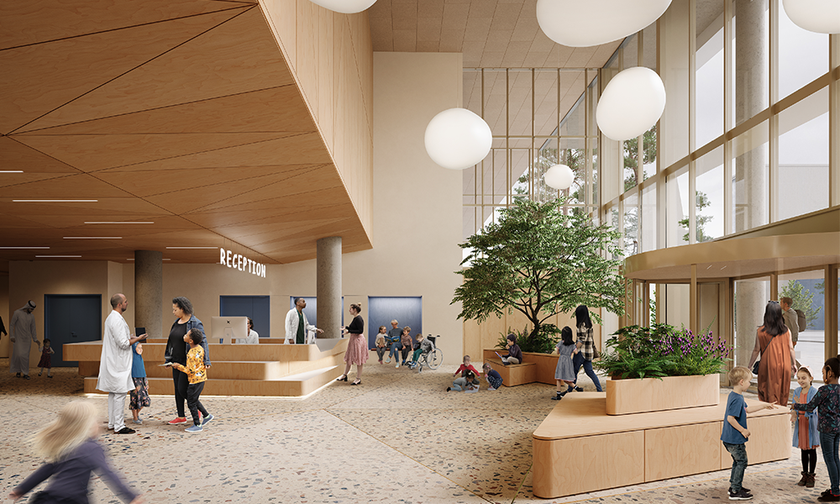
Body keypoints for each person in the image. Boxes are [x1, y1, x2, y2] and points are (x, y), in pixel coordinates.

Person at [8, 401, 142, 504]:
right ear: (86, 426)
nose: (99, 425)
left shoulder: (66, 445)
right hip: (73, 500)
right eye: (96, 421)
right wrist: (130, 497)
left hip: (47, 499)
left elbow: (46, 469)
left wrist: (22, 488)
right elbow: (109, 474)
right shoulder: (93, 448)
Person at [720, 366, 775, 501]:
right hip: (734, 439)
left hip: (730, 438)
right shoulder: (737, 398)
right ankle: (735, 490)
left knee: (737, 461)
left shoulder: (734, 395)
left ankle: (734, 485)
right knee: (742, 461)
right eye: (749, 381)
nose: (750, 383)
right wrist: (743, 430)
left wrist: (764, 405)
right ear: (741, 382)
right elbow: (730, 418)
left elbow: (747, 410)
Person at [96, 294, 146, 435]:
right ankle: (119, 426)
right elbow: (123, 344)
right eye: (125, 301)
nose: (127, 303)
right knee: (119, 393)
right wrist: (138, 339)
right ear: (119, 304)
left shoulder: (112, 318)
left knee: (113, 393)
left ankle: (113, 423)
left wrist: (131, 337)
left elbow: (121, 338)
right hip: (118, 363)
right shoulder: (116, 320)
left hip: (114, 362)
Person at [792, 357, 840, 502]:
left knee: (829, 459)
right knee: (836, 458)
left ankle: (836, 491)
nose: (822, 376)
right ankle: (836, 488)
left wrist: (795, 405)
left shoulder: (823, 390)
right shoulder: (839, 389)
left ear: (829, 373)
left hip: (826, 430)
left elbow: (809, 407)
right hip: (838, 428)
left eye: (823, 372)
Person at [165, 296, 210, 425]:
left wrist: (206, 361)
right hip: (176, 360)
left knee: (182, 389)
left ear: (182, 309)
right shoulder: (176, 323)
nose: (173, 312)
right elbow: (170, 341)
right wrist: (168, 358)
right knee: (177, 389)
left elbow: (203, 341)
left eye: (175, 309)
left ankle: (197, 408)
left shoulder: (195, 323)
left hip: (188, 362)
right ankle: (181, 416)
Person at [747, 301, 797, 405]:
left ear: (767, 314)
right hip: (784, 365)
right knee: (783, 391)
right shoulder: (786, 330)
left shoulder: (761, 331)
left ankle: (770, 414)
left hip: (768, 365)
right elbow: (791, 349)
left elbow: (756, 350)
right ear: (779, 314)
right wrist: (794, 364)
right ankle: (781, 413)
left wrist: (749, 366)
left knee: (768, 391)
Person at [171, 328, 214, 433]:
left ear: (190, 341)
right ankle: (206, 415)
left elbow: (190, 371)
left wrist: (178, 366)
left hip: (194, 381)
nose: (184, 335)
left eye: (187, 334)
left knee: (191, 402)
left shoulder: (191, 354)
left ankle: (197, 424)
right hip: (201, 379)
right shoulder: (200, 348)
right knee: (193, 399)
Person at [792, 366, 819, 488]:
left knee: (811, 450)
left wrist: (800, 407)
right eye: (798, 378)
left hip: (811, 424)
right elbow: (794, 405)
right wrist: (794, 413)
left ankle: (811, 475)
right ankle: (804, 473)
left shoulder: (814, 391)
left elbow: (812, 407)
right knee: (803, 450)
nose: (800, 381)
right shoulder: (797, 391)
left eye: (803, 378)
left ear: (811, 378)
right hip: (801, 423)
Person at [570, 304, 603, 393]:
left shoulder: (582, 325)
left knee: (574, 371)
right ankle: (600, 390)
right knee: (590, 372)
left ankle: (569, 391)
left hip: (581, 352)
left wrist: (574, 348)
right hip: (589, 353)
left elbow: (581, 340)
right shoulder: (589, 324)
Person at [337, 303, 366, 385]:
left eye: (350, 309)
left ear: (355, 310)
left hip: (358, 341)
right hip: (353, 340)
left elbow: (360, 330)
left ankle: (358, 378)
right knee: (349, 358)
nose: (349, 310)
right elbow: (353, 328)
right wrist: (346, 328)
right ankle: (344, 375)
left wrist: (349, 331)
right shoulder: (355, 318)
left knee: (358, 360)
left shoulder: (358, 318)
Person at [10, 300, 39, 379]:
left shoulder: (31, 316)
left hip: (27, 339)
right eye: (31, 309)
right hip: (18, 338)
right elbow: (12, 325)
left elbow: (33, 328)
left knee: (25, 356)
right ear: (28, 307)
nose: (32, 311)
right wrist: (11, 336)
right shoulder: (17, 313)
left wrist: (35, 338)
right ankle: (18, 371)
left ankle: (25, 373)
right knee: (18, 355)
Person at [552, 326, 579, 401]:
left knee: (559, 378)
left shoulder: (560, 343)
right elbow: (576, 352)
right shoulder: (572, 344)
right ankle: (576, 387)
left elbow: (557, 352)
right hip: (568, 361)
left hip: (561, 361)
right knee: (566, 377)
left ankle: (558, 395)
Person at [129, 341, 150, 425]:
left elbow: (143, 370)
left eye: (141, 347)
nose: (141, 349)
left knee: (146, 399)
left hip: (142, 379)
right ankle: (135, 417)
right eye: (138, 347)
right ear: (134, 349)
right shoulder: (131, 358)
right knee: (135, 398)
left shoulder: (140, 357)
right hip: (134, 380)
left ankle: (136, 415)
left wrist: (146, 382)